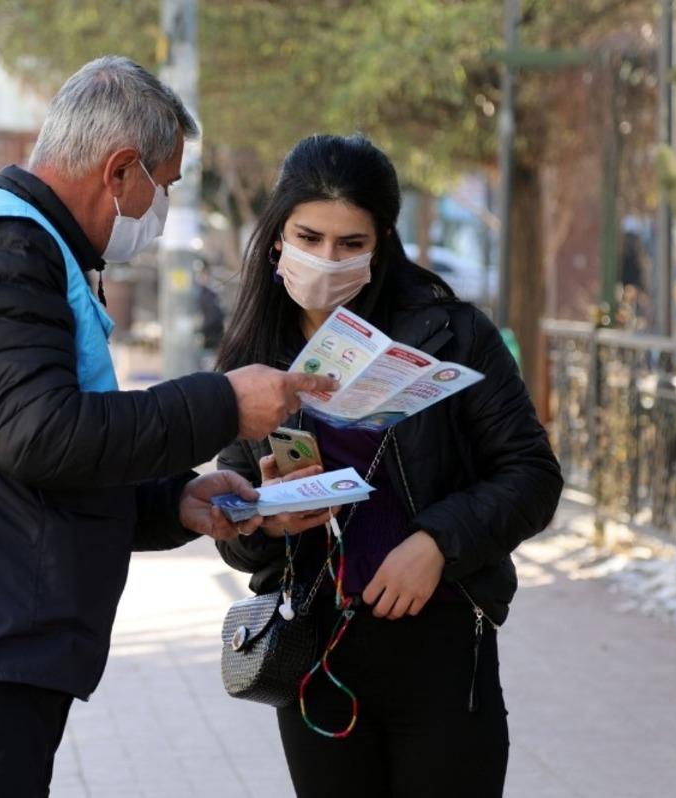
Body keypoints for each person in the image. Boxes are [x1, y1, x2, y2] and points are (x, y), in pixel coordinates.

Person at [0, 56, 336, 798]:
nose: (160, 212)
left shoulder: (25, 247)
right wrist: (223, 404)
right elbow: (40, 434)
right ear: (121, 171)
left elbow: (35, 455)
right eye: (165, 187)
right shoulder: (6, 248)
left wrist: (171, 503)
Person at [215, 134, 563, 797]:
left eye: (351, 243)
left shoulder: (452, 334)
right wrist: (264, 514)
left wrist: (437, 542)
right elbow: (232, 525)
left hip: (439, 644)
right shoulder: (253, 353)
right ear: (277, 238)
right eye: (309, 236)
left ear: (383, 242)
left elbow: (532, 475)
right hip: (314, 652)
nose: (326, 259)